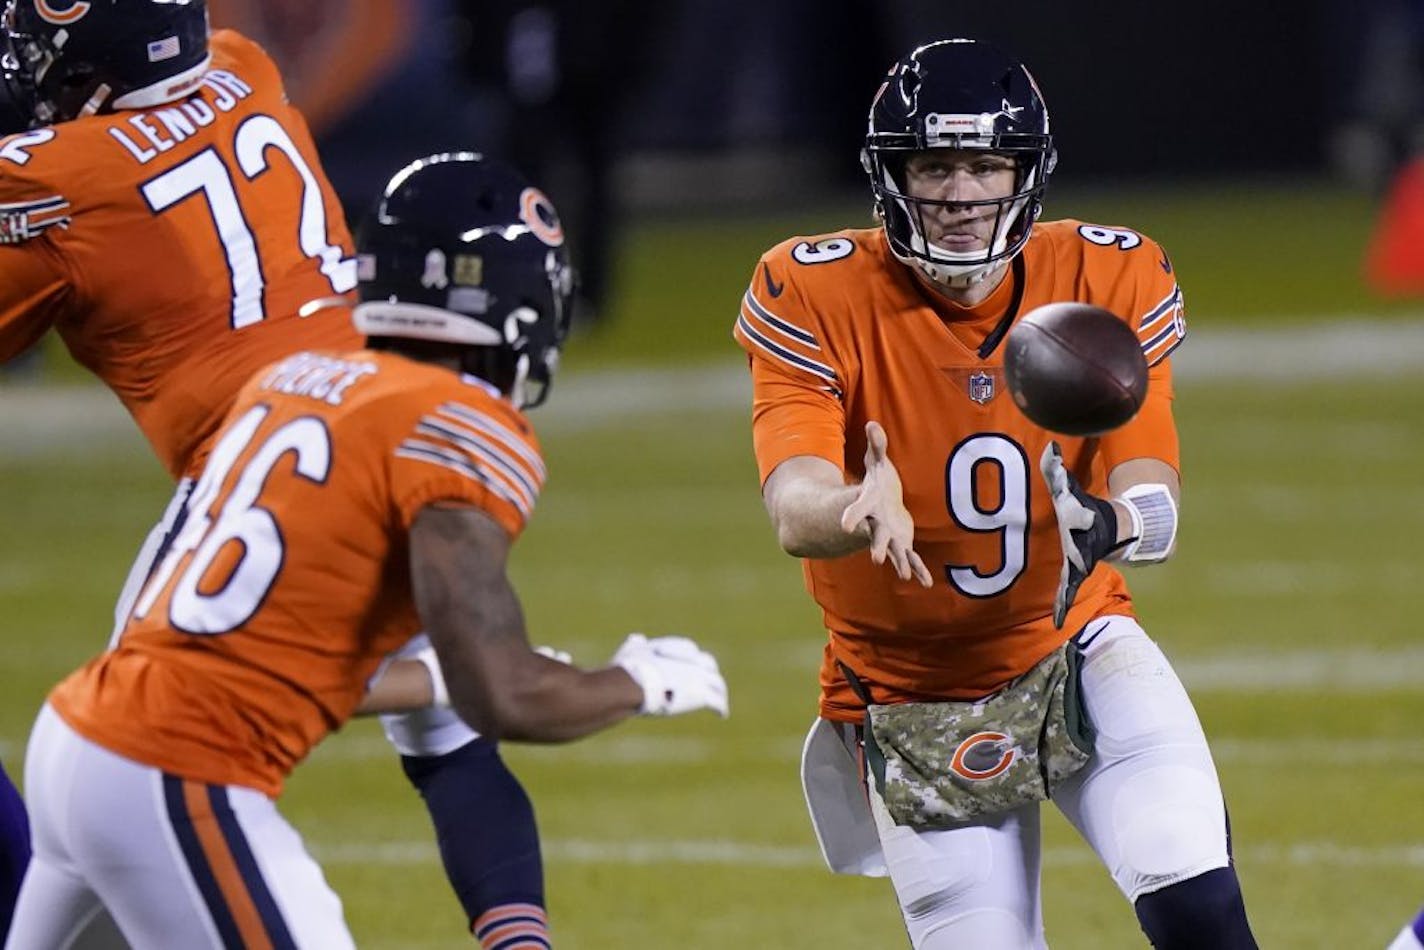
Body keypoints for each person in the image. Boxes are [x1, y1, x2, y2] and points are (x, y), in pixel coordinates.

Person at [5, 150, 729, 948]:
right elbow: (505, 698)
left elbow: (287, 663)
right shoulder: (460, 425)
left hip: (77, 741)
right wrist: (639, 682)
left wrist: (442, 679)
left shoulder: (295, 381)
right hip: (176, 775)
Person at [0, 1, 581, 941]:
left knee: (125, 757)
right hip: (378, 418)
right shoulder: (245, 68)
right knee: (452, 745)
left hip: (251, 475)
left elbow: (73, 185)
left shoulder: (68, 179)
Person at [734, 38, 1257, 949]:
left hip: (1074, 646)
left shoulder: (1107, 274)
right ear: (890, 174)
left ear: (1027, 172)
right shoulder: (812, 287)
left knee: (1197, 904)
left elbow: (1153, 491)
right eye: (934, 165)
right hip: (908, 694)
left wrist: (1114, 523)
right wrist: (855, 508)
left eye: (986, 165)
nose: (962, 194)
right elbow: (794, 502)